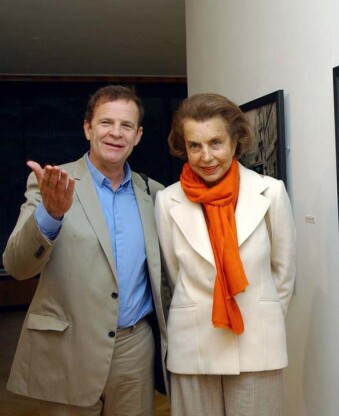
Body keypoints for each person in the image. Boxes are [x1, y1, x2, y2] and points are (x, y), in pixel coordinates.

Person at [2, 85, 168, 414]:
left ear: (138, 136)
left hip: (133, 349)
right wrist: (50, 214)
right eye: (106, 123)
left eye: (127, 126)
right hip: (68, 347)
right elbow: (18, 266)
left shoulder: (154, 194)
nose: (116, 133)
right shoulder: (53, 184)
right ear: (87, 128)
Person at [155, 93, 296, 415]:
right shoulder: (167, 201)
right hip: (193, 345)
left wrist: (259, 316)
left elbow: (284, 276)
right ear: (183, 148)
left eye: (215, 143)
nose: (206, 157)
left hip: (257, 342)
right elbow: (172, 276)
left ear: (235, 142)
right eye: (194, 145)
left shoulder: (270, 193)